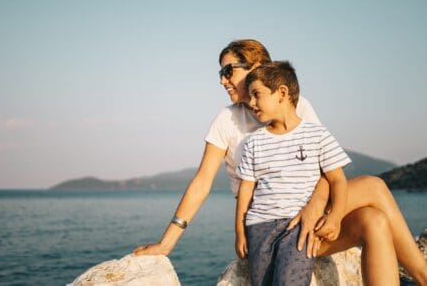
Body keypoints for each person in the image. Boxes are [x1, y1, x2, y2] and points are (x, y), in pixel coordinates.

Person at [133, 39, 427, 286]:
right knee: (374, 192)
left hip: (309, 212)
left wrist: (314, 207)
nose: (222, 80)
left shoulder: (296, 106)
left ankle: (422, 276)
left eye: (228, 70)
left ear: (257, 69)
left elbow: (325, 165)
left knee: (374, 217)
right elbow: (202, 182)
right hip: (271, 226)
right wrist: (166, 243)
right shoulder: (227, 120)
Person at [235, 61, 351, 285]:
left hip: (298, 225)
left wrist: (335, 217)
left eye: (256, 95)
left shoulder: (317, 135)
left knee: (290, 280)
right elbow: (246, 189)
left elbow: (337, 180)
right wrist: (240, 232)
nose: (251, 103)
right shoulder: (254, 142)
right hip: (258, 227)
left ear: (282, 93)